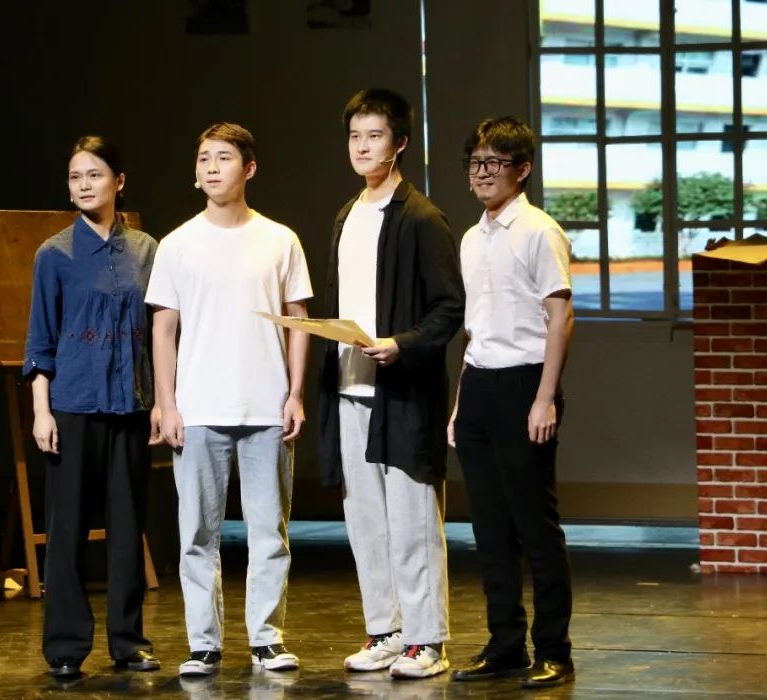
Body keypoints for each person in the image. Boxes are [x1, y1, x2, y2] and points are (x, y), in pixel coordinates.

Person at [146, 122, 312, 677]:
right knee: (197, 533)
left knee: (270, 532)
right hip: (198, 408)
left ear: (250, 168)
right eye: (203, 159)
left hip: (266, 406)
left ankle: (267, 639)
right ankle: (203, 644)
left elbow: (298, 321)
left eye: (223, 157)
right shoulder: (177, 244)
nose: (212, 167)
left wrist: (295, 393)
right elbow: (163, 329)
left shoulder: (280, 239)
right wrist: (167, 403)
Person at [316, 88, 465, 679]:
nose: (361, 147)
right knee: (365, 522)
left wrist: (401, 343)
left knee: (412, 522)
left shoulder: (422, 218)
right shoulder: (345, 215)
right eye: (355, 136)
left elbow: (449, 309)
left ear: (399, 143)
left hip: (402, 394)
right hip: (349, 389)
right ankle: (386, 629)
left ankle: (426, 639)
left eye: (374, 136)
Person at [23, 135, 161, 679]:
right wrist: (41, 410)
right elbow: (39, 341)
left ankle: (129, 642)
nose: (83, 184)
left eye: (94, 174)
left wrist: (160, 400)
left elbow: (160, 334)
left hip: (130, 405)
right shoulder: (54, 254)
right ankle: (64, 645)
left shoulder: (146, 250)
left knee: (127, 527)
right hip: (73, 407)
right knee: (68, 530)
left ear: (118, 182)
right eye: (75, 176)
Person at [448, 116, 576, 689]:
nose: (481, 173)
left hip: (525, 384)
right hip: (479, 384)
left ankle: (554, 649)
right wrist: (460, 402)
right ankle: (505, 644)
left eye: (494, 163)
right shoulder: (471, 238)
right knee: (489, 527)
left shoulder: (539, 231)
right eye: (475, 163)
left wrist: (545, 398)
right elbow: (475, 330)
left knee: (534, 525)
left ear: (521, 170)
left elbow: (561, 317)